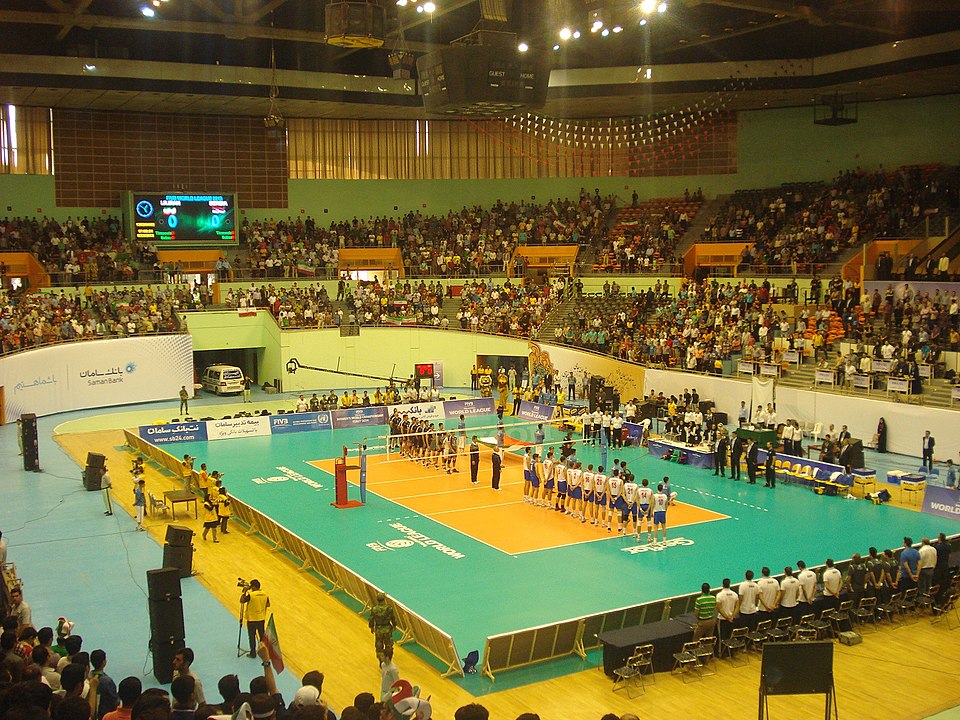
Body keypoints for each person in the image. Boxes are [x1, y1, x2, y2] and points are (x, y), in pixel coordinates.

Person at [240, 579, 270, 658]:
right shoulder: (265, 594)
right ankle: (264, 652)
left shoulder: (251, 595)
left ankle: (253, 653)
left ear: (253, 586)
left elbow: (242, 601)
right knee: (262, 637)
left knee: (252, 636)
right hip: (261, 618)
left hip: (252, 619)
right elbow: (268, 604)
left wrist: (244, 592)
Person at [368, 592, 396, 656]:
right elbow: (393, 618)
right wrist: (394, 625)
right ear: (384, 600)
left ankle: (381, 660)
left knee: (379, 645)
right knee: (388, 645)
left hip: (378, 629)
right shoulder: (389, 608)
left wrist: (371, 627)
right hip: (387, 629)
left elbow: (371, 619)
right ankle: (388, 658)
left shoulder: (374, 609)